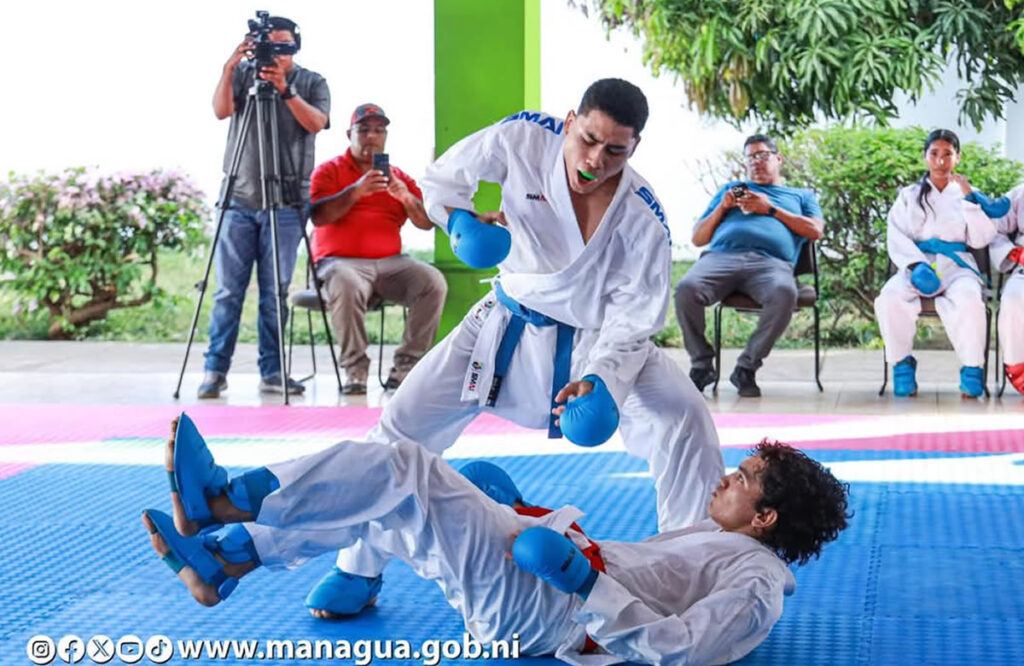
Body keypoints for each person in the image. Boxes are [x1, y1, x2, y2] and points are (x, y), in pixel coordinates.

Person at [298, 79, 727, 617]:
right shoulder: (522, 137)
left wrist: (602, 379)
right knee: (401, 428)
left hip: (593, 338)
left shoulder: (642, 217)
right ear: (570, 121)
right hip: (504, 322)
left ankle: (693, 565)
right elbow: (443, 179)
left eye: (615, 151)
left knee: (684, 417)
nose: (596, 160)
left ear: (635, 147)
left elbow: (633, 318)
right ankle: (357, 567)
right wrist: (458, 221)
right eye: (588, 139)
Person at [143, 413, 850, 666]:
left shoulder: (756, 585)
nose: (727, 476)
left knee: (404, 468)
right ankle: (227, 561)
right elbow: (641, 574)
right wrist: (529, 516)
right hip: (547, 585)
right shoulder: (718, 536)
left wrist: (585, 583)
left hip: (547, 613)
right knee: (383, 501)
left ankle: (224, 502)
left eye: (744, 478)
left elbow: (684, 649)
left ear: (765, 518)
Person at [198, 16, 331, 399]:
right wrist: (230, 66)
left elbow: (316, 122)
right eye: (270, 46)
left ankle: (272, 372)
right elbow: (221, 111)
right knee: (227, 293)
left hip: (286, 203)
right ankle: (214, 371)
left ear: (296, 47)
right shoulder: (243, 75)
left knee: (275, 293)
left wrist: (285, 90)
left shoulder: (312, 81)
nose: (277, 54)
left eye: (284, 46)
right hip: (237, 200)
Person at [309, 104, 447, 394]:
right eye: (363, 130)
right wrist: (356, 191)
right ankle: (356, 371)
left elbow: (426, 223)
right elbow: (318, 217)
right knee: (345, 281)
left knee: (432, 282)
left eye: (379, 130)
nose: (371, 136)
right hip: (340, 263)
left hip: (390, 263)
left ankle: (406, 368)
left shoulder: (397, 176)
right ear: (349, 134)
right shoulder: (329, 170)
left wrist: (406, 198)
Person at [674, 135, 825, 398]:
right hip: (721, 258)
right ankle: (701, 365)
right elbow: (698, 238)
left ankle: (746, 368)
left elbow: (815, 231)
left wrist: (770, 209)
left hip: (771, 264)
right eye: (750, 157)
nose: (756, 161)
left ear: (778, 159)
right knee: (686, 289)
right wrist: (722, 208)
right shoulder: (731, 190)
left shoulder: (800, 196)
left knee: (784, 293)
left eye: (763, 155)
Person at [874, 129, 997, 399]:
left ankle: (972, 369)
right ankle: (902, 365)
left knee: (969, 299)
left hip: (956, 267)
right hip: (918, 265)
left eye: (947, 154)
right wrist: (916, 265)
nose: (941, 161)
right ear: (925, 156)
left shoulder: (969, 193)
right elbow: (896, 234)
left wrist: (971, 201)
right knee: (890, 297)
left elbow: (982, 238)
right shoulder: (909, 195)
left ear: (958, 157)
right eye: (934, 154)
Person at [991, 184, 1024, 395]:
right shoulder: (1020, 194)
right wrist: (1014, 253)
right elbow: (993, 229)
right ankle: (1018, 367)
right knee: (1012, 299)